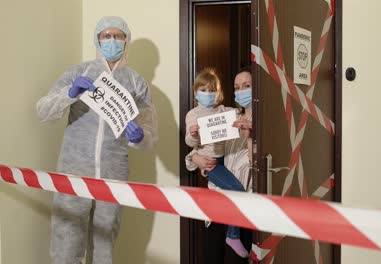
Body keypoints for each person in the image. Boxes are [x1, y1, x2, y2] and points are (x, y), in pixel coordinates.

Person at [36, 16, 158, 264]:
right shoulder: (79, 72)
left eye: (118, 36)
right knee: (67, 236)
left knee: (105, 239)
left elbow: (149, 133)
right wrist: (70, 93)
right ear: (97, 39)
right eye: (106, 35)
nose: (111, 41)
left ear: (126, 41)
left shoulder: (136, 83)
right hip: (74, 168)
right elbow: (43, 111)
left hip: (114, 170)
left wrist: (140, 136)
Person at [186, 68, 253, 262]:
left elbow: (258, 164)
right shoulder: (231, 117)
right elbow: (206, 147)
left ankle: (233, 237)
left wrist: (250, 135)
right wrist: (195, 158)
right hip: (216, 207)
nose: (241, 91)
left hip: (243, 211)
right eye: (237, 87)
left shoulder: (265, 123)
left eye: (247, 86)